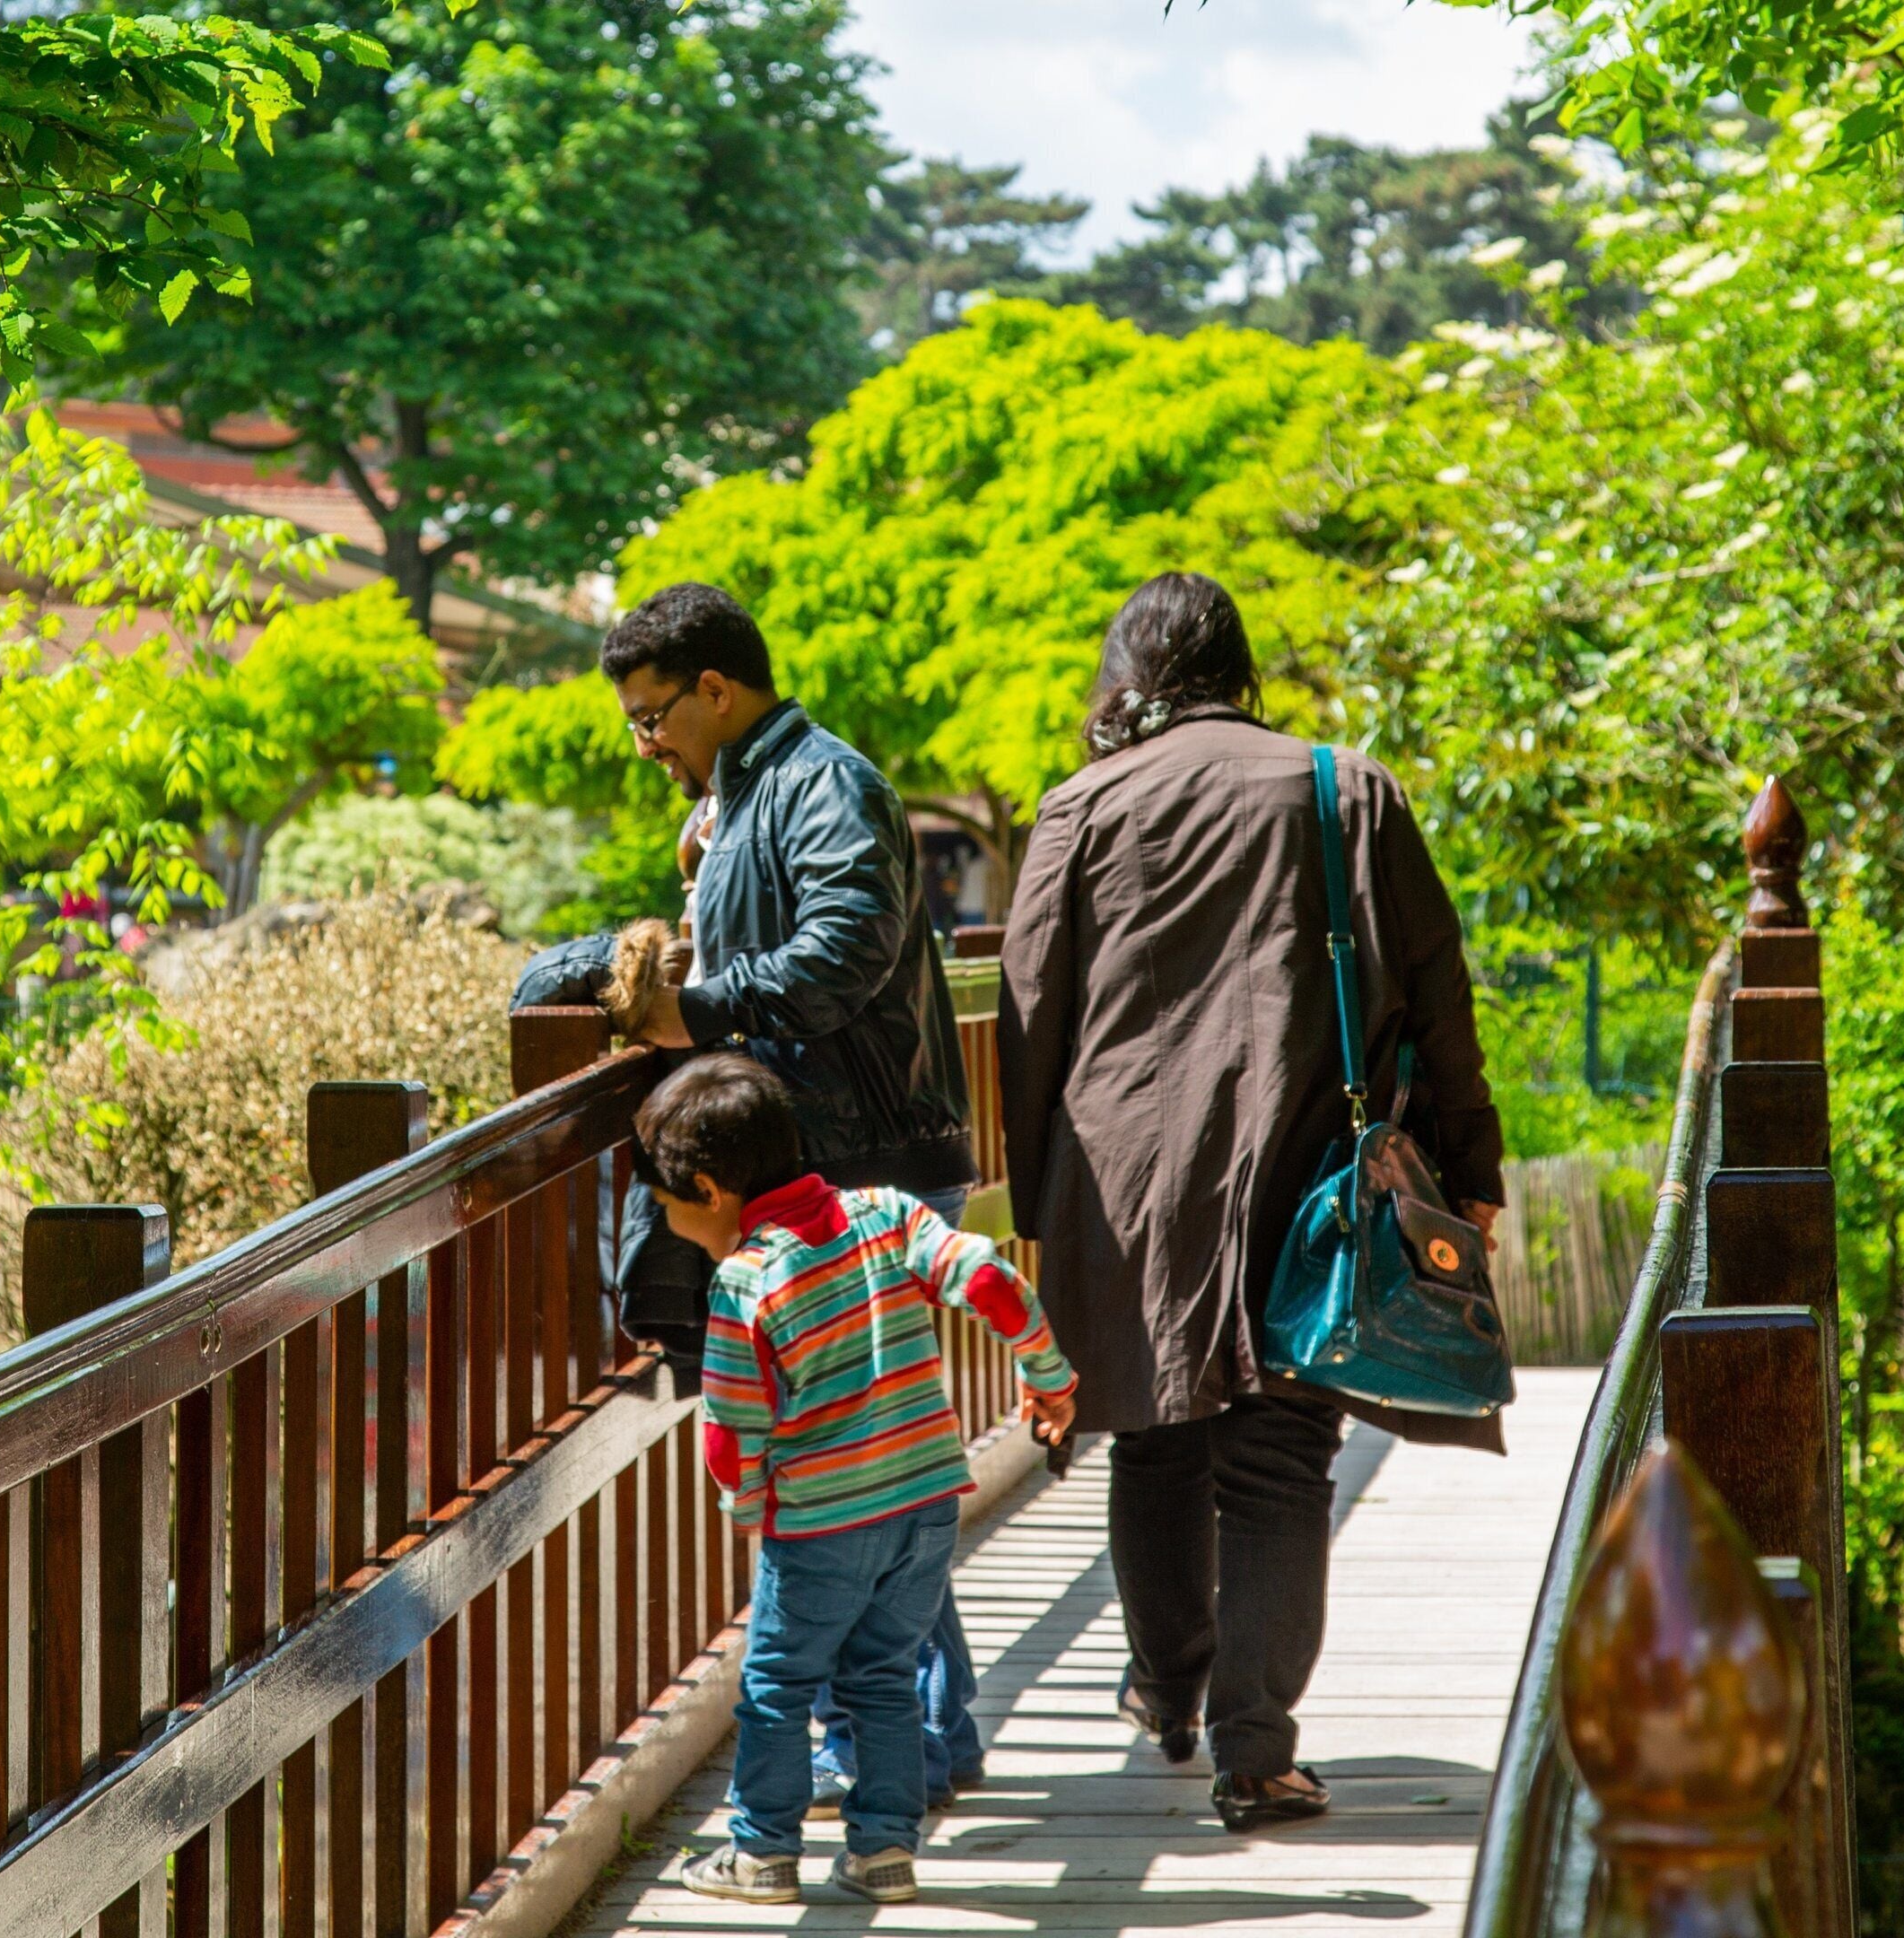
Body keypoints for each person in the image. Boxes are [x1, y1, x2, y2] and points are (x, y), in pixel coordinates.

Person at [997, 572, 1507, 1834]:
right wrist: (1475, 1168)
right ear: (1240, 669)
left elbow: (1026, 1017)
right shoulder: (1346, 790)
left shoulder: (1078, 807)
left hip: (1126, 1181)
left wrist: (1033, 1196)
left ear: (1124, 676)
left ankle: (1167, 1694)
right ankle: (1258, 1753)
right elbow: (1439, 994)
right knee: (1280, 1456)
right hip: (1306, 1160)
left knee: (1156, 1429)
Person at [597, 581, 989, 1808]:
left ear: (717, 688)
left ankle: (900, 1748)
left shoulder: (823, 782)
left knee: (850, 1489)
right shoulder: (744, 794)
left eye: (652, 716)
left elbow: (844, 952)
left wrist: (696, 1006)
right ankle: (918, 1736)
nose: (645, 742)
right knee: (867, 1481)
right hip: (826, 1162)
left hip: (858, 1163)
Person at [636, 1056, 1077, 1907]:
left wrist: (749, 1506)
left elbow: (733, 1429)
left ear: (707, 1189)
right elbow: (990, 1276)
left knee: (776, 1683)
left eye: (666, 1206)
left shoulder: (744, 1280)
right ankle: (882, 1853)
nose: (666, 1220)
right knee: (885, 1675)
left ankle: (761, 1849)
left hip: (821, 1524)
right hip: (924, 1506)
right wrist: (1050, 1376)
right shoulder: (883, 1212)